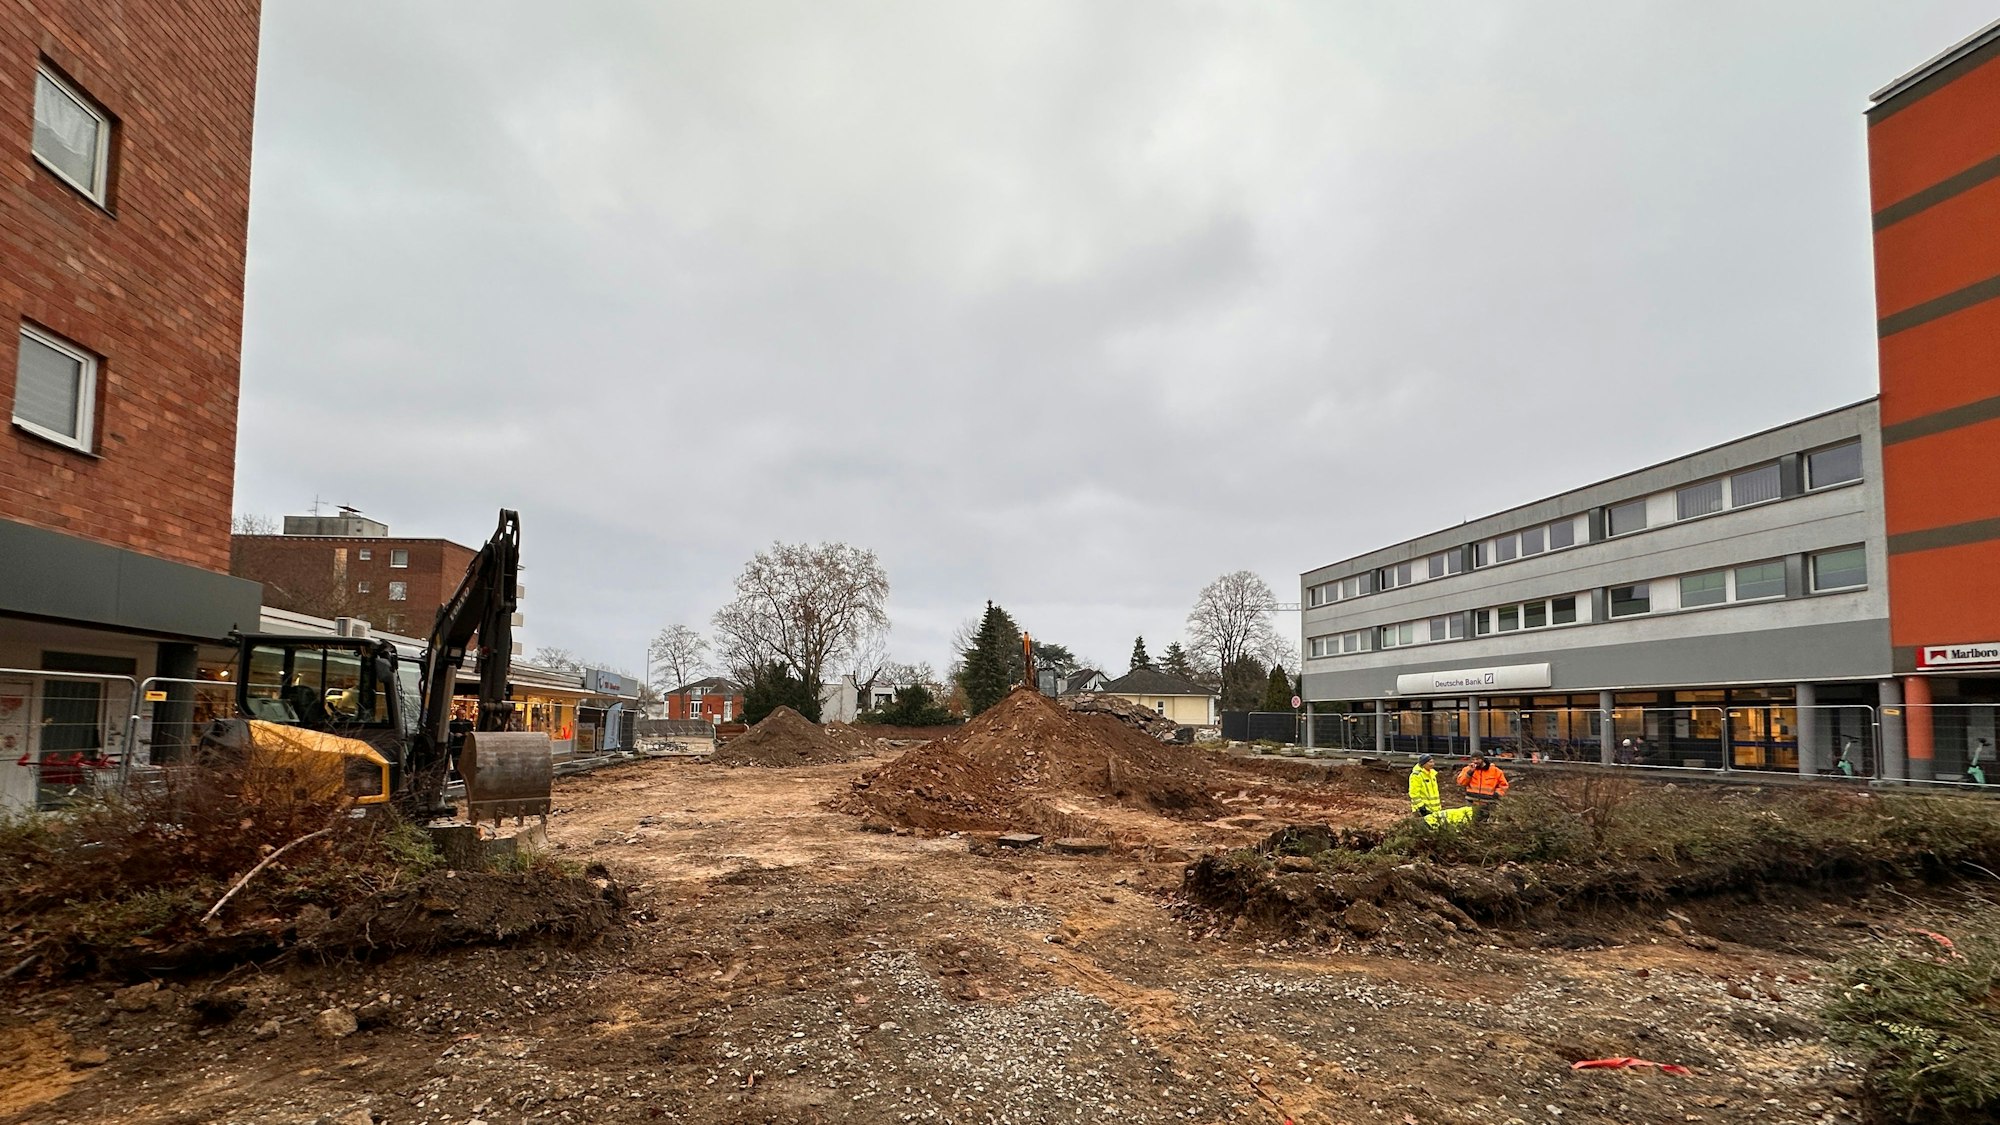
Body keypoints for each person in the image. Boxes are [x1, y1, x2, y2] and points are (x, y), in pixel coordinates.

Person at [1409, 754, 1475, 827]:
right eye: (1430, 762)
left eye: (1433, 762)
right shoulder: (1416, 775)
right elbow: (1414, 794)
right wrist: (1421, 807)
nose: (1432, 764)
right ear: (1423, 764)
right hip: (1423, 809)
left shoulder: (1432, 774)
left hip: (1434, 809)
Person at [1456, 751, 1510, 819]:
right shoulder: (1467, 769)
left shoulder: (1495, 771)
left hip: (1489, 802)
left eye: (1477, 759)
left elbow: (1504, 785)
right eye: (1473, 759)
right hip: (1472, 801)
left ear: (1482, 759)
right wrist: (1470, 773)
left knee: (1487, 823)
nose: (1475, 761)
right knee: (1472, 821)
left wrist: (1497, 794)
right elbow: (1461, 782)